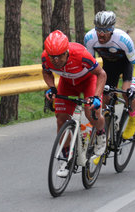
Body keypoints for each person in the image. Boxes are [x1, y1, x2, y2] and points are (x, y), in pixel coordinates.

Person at [42, 30, 107, 177]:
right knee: (60, 118)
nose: (56, 61)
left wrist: (96, 97)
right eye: (53, 57)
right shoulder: (46, 58)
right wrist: (51, 87)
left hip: (88, 81)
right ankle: (66, 158)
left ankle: (101, 134)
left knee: (91, 113)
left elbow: (101, 74)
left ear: (67, 52)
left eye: (59, 56)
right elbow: (46, 72)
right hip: (67, 83)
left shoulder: (80, 55)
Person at [83, 11, 135, 139]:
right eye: (98, 29)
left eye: (106, 30)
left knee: (127, 93)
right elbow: (90, 65)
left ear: (112, 29)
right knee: (104, 100)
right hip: (109, 66)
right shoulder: (89, 38)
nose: (101, 34)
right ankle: (105, 137)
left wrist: (134, 86)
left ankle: (133, 117)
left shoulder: (123, 39)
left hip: (126, 65)